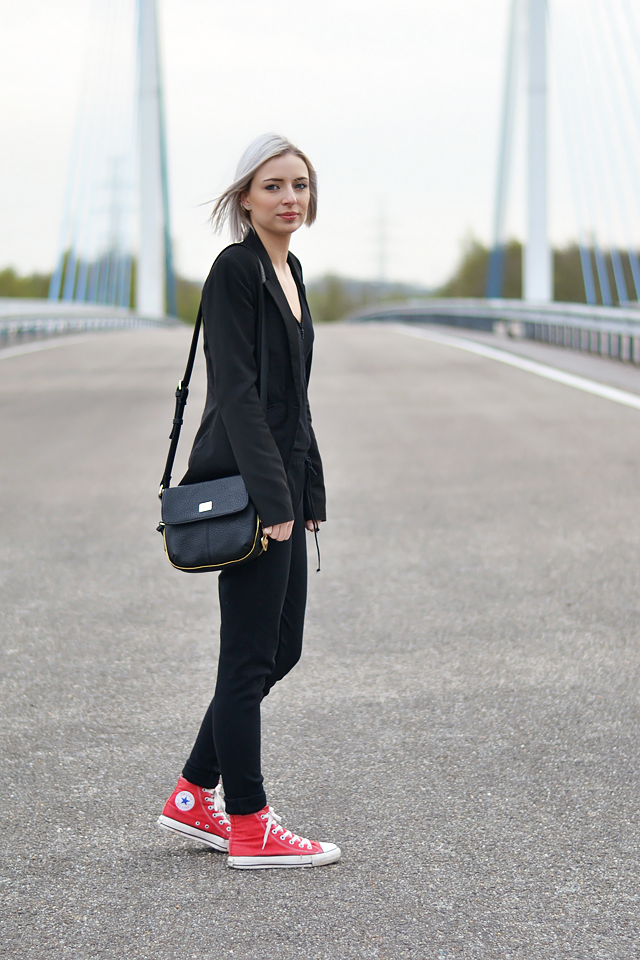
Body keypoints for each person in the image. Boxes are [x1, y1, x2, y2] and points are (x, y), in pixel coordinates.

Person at [157, 134, 341, 870]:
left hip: (287, 486)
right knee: (246, 660)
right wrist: (275, 502)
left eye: (299, 185)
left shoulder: (290, 268)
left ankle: (193, 793)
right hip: (254, 492)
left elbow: (294, 398)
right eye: (273, 186)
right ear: (244, 199)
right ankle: (249, 822)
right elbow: (235, 393)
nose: (289, 197)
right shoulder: (234, 272)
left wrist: (312, 491)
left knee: (279, 650)